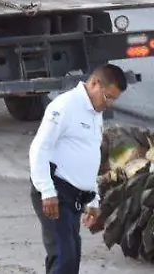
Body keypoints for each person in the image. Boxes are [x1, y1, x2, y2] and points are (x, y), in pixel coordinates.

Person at [28, 64, 128, 274]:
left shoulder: (95, 111)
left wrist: (92, 200)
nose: (110, 104)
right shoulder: (65, 106)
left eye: (114, 99)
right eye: (108, 97)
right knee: (64, 258)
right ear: (94, 83)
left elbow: (89, 156)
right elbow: (39, 148)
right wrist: (47, 192)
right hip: (55, 192)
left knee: (71, 257)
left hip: (75, 197)